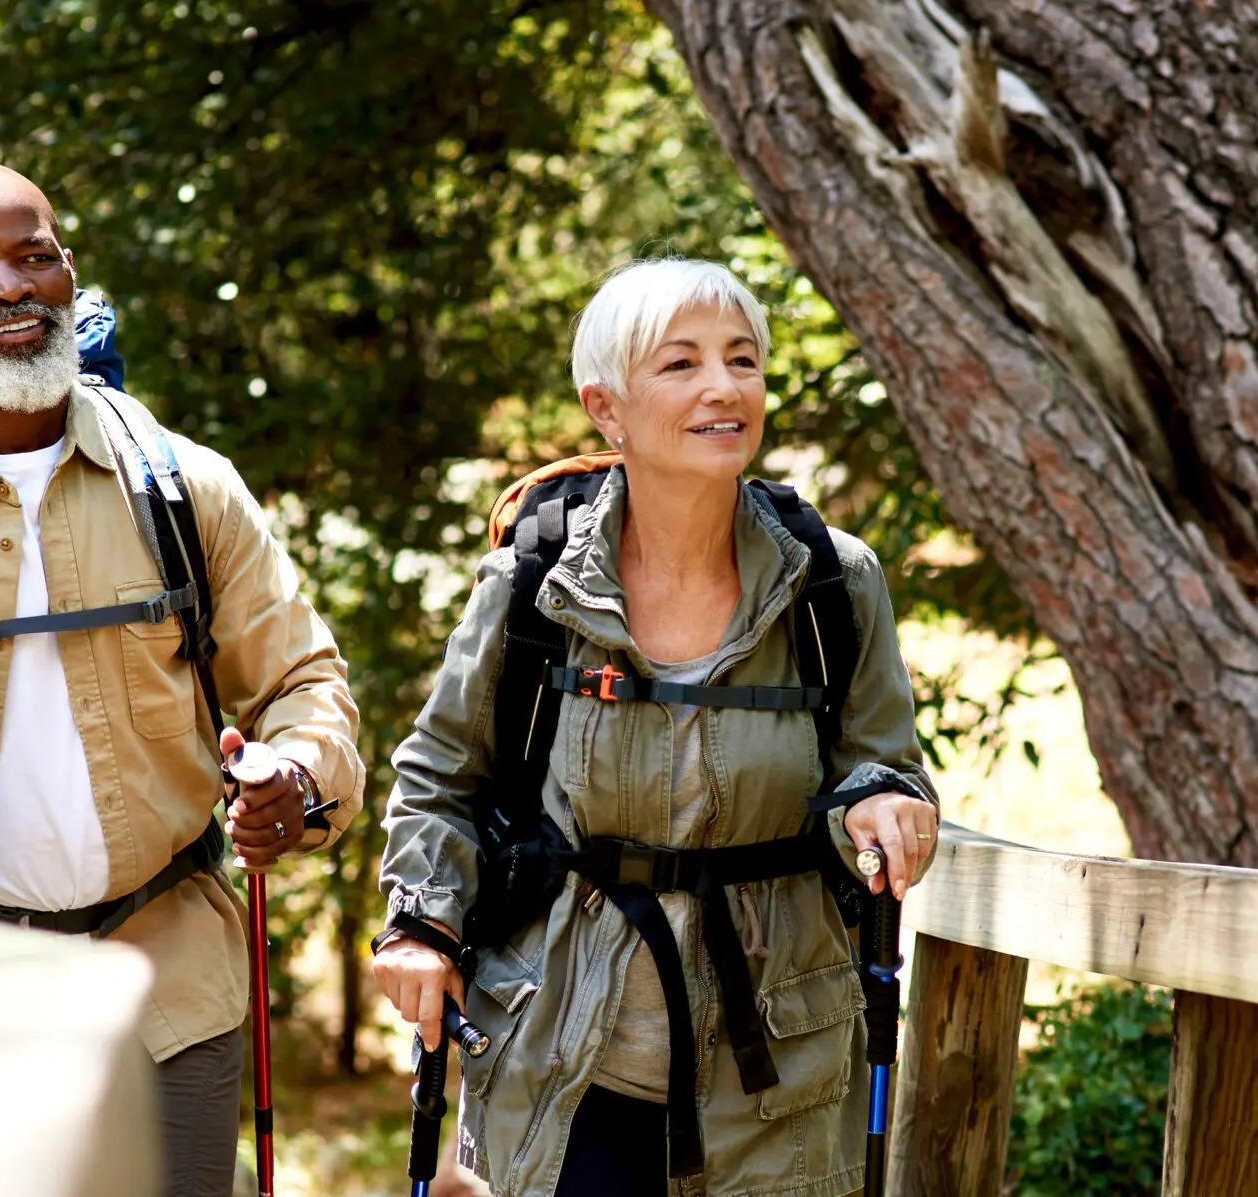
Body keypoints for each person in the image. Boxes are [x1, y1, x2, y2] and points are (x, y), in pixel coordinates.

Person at [0, 161, 364, 1197]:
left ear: (69, 274)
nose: (9, 286)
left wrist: (297, 778)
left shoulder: (188, 485)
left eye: (33, 256)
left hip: (173, 971)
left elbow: (302, 680)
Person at [374, 258, 942, 1196]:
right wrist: (421, 924)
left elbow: (881, 765)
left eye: (743, 360)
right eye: (681, 365)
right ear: (608, 407)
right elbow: (443, 777)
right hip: (565, 1055)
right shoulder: (535, 584)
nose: (724, 387)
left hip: (778, 1076)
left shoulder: (832, 583)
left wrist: (887, 804)